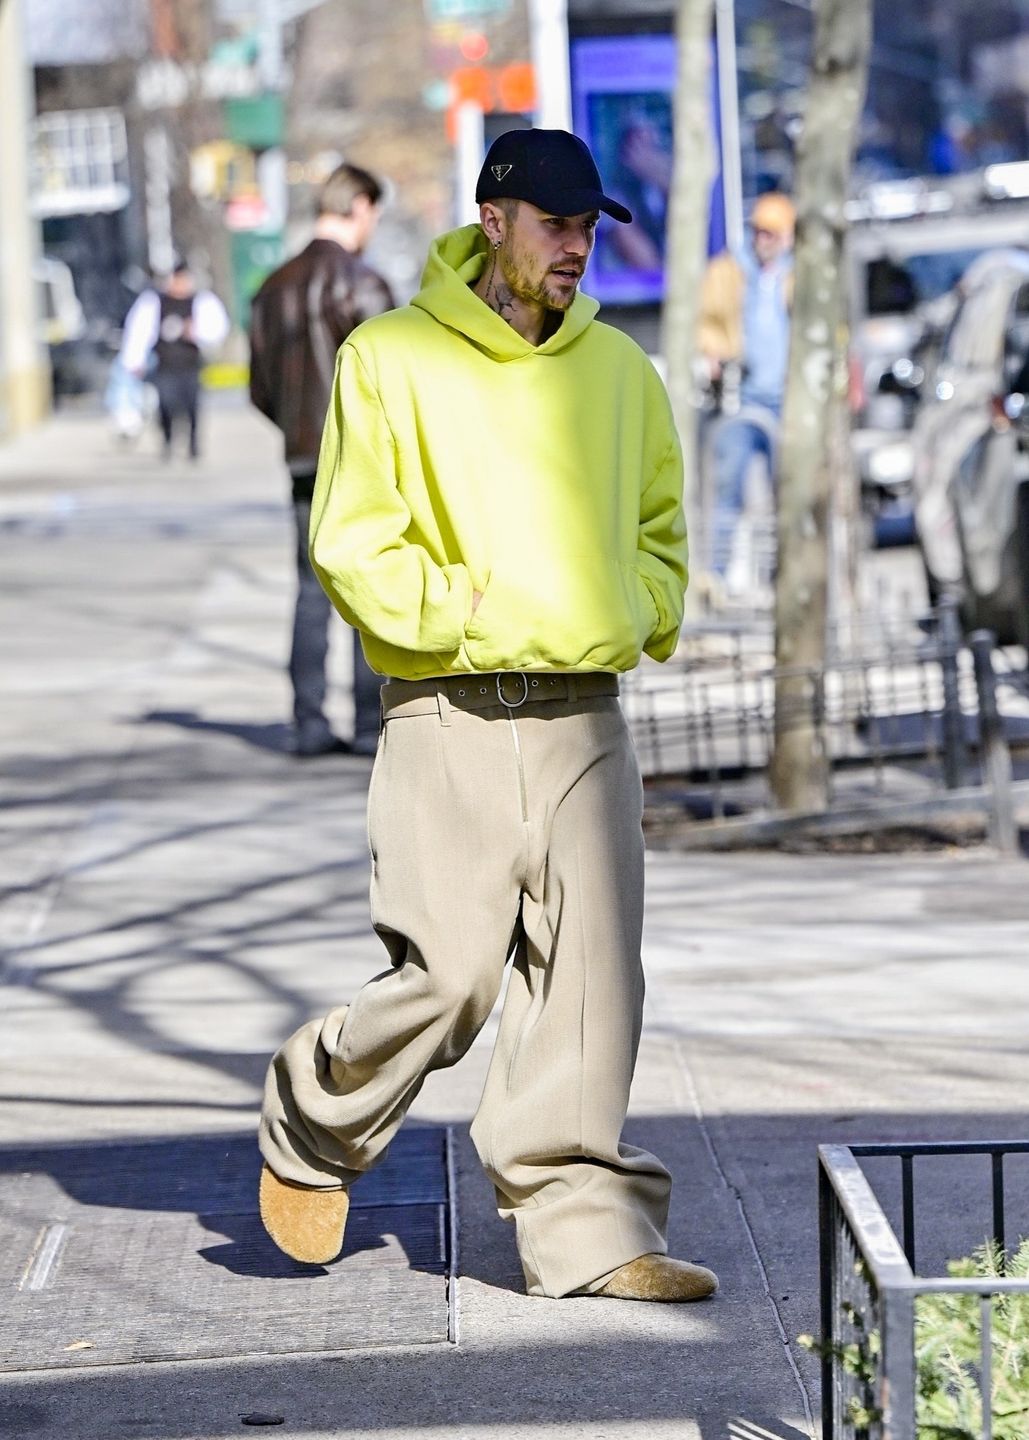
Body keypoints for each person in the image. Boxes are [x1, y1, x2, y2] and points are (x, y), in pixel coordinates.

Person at [256, 128, 717, 1305]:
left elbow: (662, 528)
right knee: (449, 978)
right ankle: (317, 1112)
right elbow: (350, 539)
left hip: (587, 714)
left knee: (590, 984)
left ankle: (587, 1232)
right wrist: (463, 613)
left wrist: (640, 605)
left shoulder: (621, 371)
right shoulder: (390, 357)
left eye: (587, 228)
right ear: (495, 218)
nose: (575, 248)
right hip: (447, 708)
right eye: (555, 224)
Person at [249, 164, 396, 758]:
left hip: (302, 462)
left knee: (310, 592)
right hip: (361, 463)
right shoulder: (365, 284)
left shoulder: (272, 287)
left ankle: (308, 721)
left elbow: (260, 390)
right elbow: (396, 383)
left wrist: (296, 430)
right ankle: (367, 724)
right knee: (367, 591)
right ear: (359, 205)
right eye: (374, 215)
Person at [698, 192, 795, 584]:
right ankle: (716, 578)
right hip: (740, 399)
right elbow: (707, 321)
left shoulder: (798, 274)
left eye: (772, 233)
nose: (763, 240)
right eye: (759, 231)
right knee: (728, 490)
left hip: (787, 400)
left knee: (787, 493)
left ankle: (785, 576)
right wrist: (715, 356)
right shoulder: (729, 270)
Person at [119, 260, 229, 460]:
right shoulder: (154, 302)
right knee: (167, 404)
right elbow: (138, 332)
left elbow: (216, 329)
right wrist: (134, 361)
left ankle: (194, 444)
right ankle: (168, 439)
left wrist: (195, 331)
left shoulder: (201, 301)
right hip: (165, 365)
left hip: (190, 365)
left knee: (192, 406)